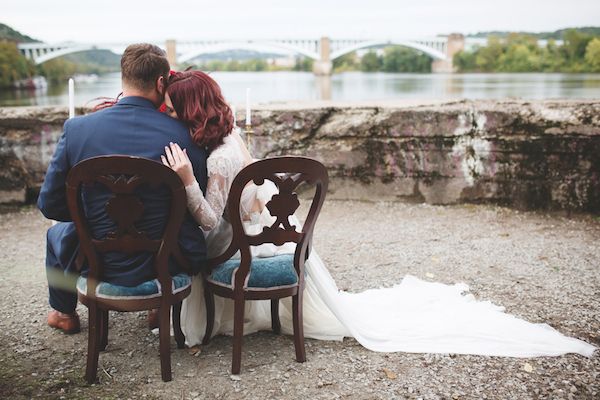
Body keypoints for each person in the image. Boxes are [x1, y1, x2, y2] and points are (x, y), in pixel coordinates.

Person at [161, 70, 596, 358]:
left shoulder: (216, 160)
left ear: (192, 110)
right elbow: (252, 197)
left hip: (235, 249)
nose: (172, 116)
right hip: (262, 238)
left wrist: (185, 180)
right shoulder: (233, 139)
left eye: (175, 109)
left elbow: (209, 222)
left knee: (188, 244)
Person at [38, 44, 209, 334]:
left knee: (57, 234)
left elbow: (50, 205)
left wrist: (89, 218)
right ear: (160, 82)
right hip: (165, 260)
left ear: (123, 78)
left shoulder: (77, 130)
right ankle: (159, 306)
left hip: (95, 258)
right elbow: (194, 206)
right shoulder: (185, 135)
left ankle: (64, 313)